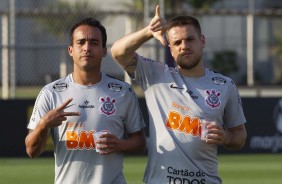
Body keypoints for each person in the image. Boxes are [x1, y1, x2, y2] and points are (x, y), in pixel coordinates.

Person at [111, 5, 247, 184]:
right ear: (171, 50)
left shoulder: (225, 85)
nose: (184, 46)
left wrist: (227, 137)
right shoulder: (155, 75)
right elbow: (118, 52)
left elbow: (240, 136)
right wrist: (148, 31)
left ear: (202, 41)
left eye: (190, 39)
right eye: (177, 43)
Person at [25, 18, 146, 184]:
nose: (87, 48)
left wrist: (120, 145)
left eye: (94, 43)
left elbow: (140, 142)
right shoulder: (50, 92)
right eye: (80, 42)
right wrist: (43, 125)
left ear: (104, 50)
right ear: (71, 50)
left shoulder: (123, 92)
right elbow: (31, 150)